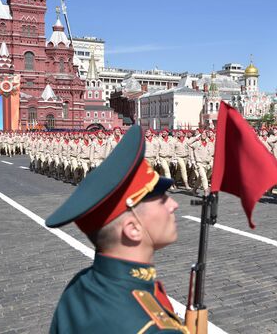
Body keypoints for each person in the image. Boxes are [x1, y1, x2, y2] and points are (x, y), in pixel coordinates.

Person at [45, 125, 188, 333]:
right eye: (161, 200)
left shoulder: (78, 287)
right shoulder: (152, 328)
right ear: (133, 229)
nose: (173, 205)